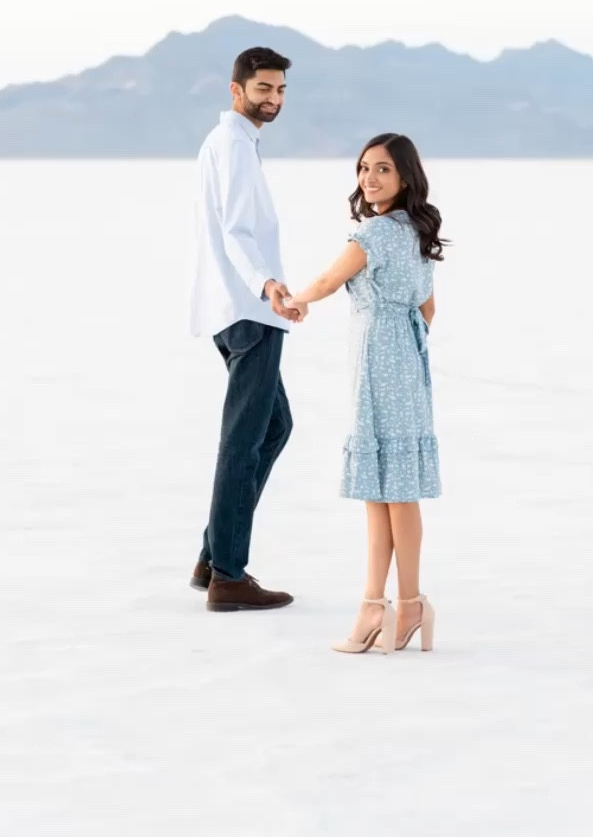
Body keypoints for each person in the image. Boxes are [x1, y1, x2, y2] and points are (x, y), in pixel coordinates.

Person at [286, 133, 445, 654]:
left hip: (379, 361)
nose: (368, 179)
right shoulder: (417, 233)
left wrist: (295, 300)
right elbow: (428, 310)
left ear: (404, 177)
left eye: (381, 170)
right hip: (408, 359)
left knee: (391, 493)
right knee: (388, 492)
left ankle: (393, 604)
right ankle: (390, 604)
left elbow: (331, 279)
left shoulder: (375, 233)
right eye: (363, 169)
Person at [188, 46, 305, 612]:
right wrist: (268, 285)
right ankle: (229, 577)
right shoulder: (233, 144)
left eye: (280, 89)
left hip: (235, 308)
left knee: (274, 426)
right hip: (249, 310)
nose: (273, 99)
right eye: (263, 89)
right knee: (243, 442)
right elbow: (236, 230)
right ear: (236, 91)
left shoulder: (233, 144)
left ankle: (214, 555)